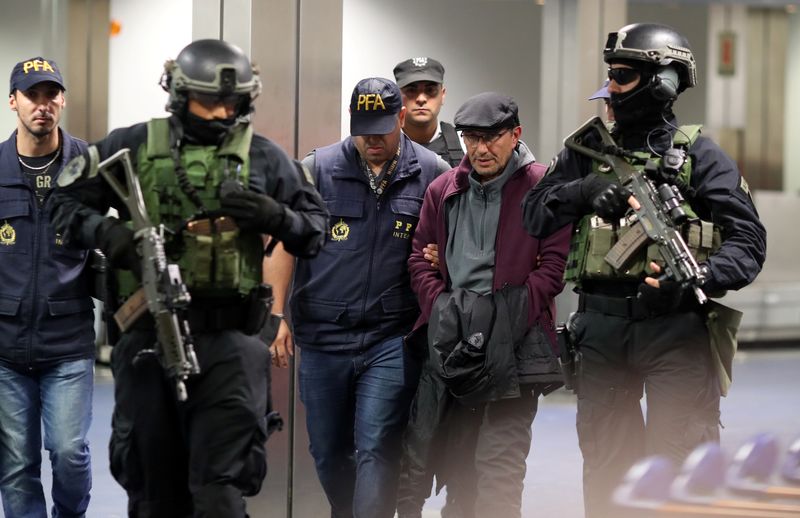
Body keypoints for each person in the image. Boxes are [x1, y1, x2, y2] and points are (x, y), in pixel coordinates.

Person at [51, 39, 327, 517]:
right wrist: (110, 234)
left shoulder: (262, 156)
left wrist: (276, 216)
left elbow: (316, 230)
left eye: (233, 102)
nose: (222, 112)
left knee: (220, 490)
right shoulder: (133, 145)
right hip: (147, 335)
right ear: (179, 94)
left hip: (231, 342)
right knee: (153, 489)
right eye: (210, 100)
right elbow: (63, 201)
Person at [522, 23, 767, 518]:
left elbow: (749, 241)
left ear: (663, 82)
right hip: (601, 331)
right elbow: (534, 213)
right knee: (609, 469)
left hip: (675, 331)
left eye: (623, 76)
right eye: (610, 77)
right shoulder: (584, 151)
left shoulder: (699, 154)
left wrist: (700, 275)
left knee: (680, 468)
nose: (611, 91)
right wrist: (583, 191)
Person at [397, 92, 571, 518]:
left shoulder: (543, 188)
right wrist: (442, 307)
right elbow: (420, 256)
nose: (481, 149)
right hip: (456, 344)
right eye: (471, 138)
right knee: (457, 469)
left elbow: (553, 268)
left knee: (499, 469)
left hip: (514, 345)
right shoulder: (444, 190)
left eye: (491, 137)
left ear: (516, 135)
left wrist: (504, 317)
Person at [289, 77, 447, 518]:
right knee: (327, 451)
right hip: (323, 338)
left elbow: (452, 239)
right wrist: (277, 314)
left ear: (400, 118)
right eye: (363, 128)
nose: (371, 139)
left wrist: (440, 255)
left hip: (390, 337)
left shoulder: (432, 170)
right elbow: (281, 242)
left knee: (377, 447)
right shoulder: (316, 168)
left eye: (381, 127)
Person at [0, 56, 94, 518]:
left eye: (50, 94)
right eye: (32, 95)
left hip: (68, 341)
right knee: (16, 465)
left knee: (69, 452)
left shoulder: (88, 165)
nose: (42, 105)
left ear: (63, 100)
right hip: (4, 345)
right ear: (13, 101)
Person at [393, 57, 464, 167]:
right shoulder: (381, 145)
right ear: (397, 96)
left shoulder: (465, 143)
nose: (421, 99)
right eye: (411, 90)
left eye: (430, 90)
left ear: (443, 95)